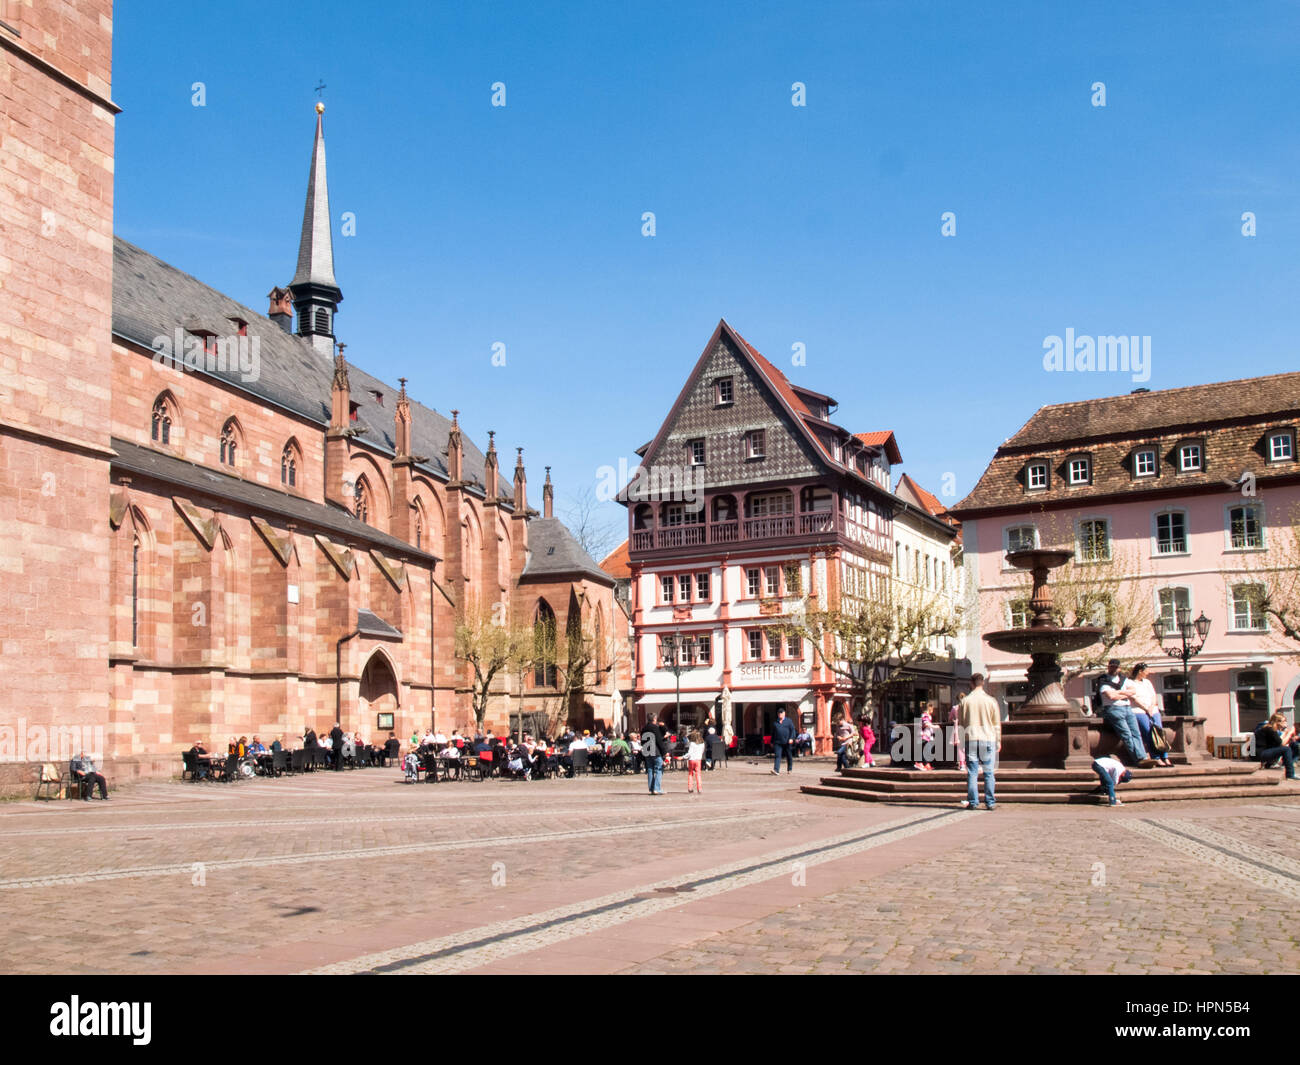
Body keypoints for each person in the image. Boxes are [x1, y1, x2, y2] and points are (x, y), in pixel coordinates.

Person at [958, 673, 1000, 810]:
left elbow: (961, 724)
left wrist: (962, 741)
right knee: (989, 772)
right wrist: (998, 740)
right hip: (988, 738)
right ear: (982, 683)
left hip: (971, 738)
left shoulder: (965, 701)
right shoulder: (991, 701)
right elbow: (996, 724)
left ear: (971, 683)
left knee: (972, 772)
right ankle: (990, 802)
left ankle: (973, 802)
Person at [1099, 659, 1153, 767]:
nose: (1113, 669)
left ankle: (1143, 758)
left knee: (1136, 733)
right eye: (1111, 667)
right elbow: (1111, 696)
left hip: (1127, 708)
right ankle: (1140, 759)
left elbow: (1133, 691)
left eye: (1116, 667)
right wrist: (1125, 694)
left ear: (1119, 668)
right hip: (1113, 709)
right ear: (1108, 667)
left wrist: (1118, 693)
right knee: (1127, 735)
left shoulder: (1124, 679)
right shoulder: (1103, 680)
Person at [1128, 663, 1172, 767]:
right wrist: (1145, 708)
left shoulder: (1147, 682)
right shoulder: (1129, 682)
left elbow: (1153, 695)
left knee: (1160, 733)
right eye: (1146, 670)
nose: (1148, 673)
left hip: (1153, 710)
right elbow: (1133, 698)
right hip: (1139, 711)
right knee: (1149, 734)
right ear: (1140, 671)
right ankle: (1156, 758)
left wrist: (1151, 707)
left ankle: (1165, 756)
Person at [1254, 713, 1298, 779]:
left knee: (1285, 747)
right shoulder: (1270, 729)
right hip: (1259, 754)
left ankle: (1268, 765)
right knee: (1286, 749)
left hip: (1257, 753)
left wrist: (1286, 734)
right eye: (1284, 721)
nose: (1285, 723)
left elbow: (1278, 742)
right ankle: (1290, 775)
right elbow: (1281, 743)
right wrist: (1289, 733)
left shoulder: (1268, 728)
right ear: (1277, 722)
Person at [641, 714, 668, 795]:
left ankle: (652, 788)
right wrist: (664, 752)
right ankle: (657, 788)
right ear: (655, 719)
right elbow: (659, 740)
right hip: (655, 751)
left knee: (650, 769)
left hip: (647, 751)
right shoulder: (655, 728)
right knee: (659, 769)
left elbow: (642, 741)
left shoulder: (644, 728)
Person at [771, 708, 796, 775]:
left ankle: (789, 769)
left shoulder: (789, 721)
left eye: (781, 713)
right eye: (779, 713)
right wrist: (772, 742)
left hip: (787, 742)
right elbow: (773, 733)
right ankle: (776, 770)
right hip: (777, 742)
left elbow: (793, 730)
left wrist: (791, 738)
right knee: (777, 755)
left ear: (784, 713)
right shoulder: (775, 723)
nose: (780, 714)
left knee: (789, 755)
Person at [685, 730, 705, 794]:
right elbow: (702, 752)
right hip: (698, 759)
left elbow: (689, 753)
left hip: (691, 760)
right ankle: (699, 788)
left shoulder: (692, 744)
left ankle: (690, 788)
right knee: (698, 774)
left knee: (690, 773)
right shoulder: (702, 744)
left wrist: (684, 757)